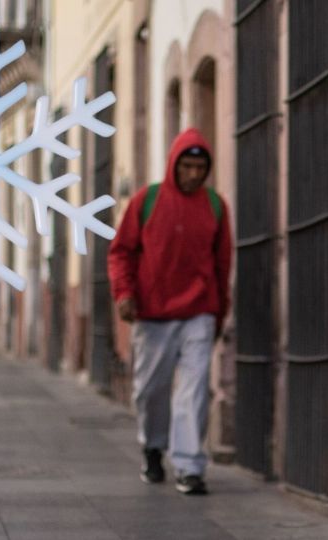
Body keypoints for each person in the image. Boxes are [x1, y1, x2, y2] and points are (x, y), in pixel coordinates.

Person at [107, 128, 232, 496]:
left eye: (200, 167)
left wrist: (219, 312)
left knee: (193, 390)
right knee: (150, 390)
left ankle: (190, 466)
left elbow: (223, 263)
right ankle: (152, 446)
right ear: (173, 165)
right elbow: (121, 252)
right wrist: (124, 294)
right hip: (152, 314)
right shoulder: (147, 200)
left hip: (199, 313)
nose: (194, 174)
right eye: (187, 166)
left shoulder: (215, 205)